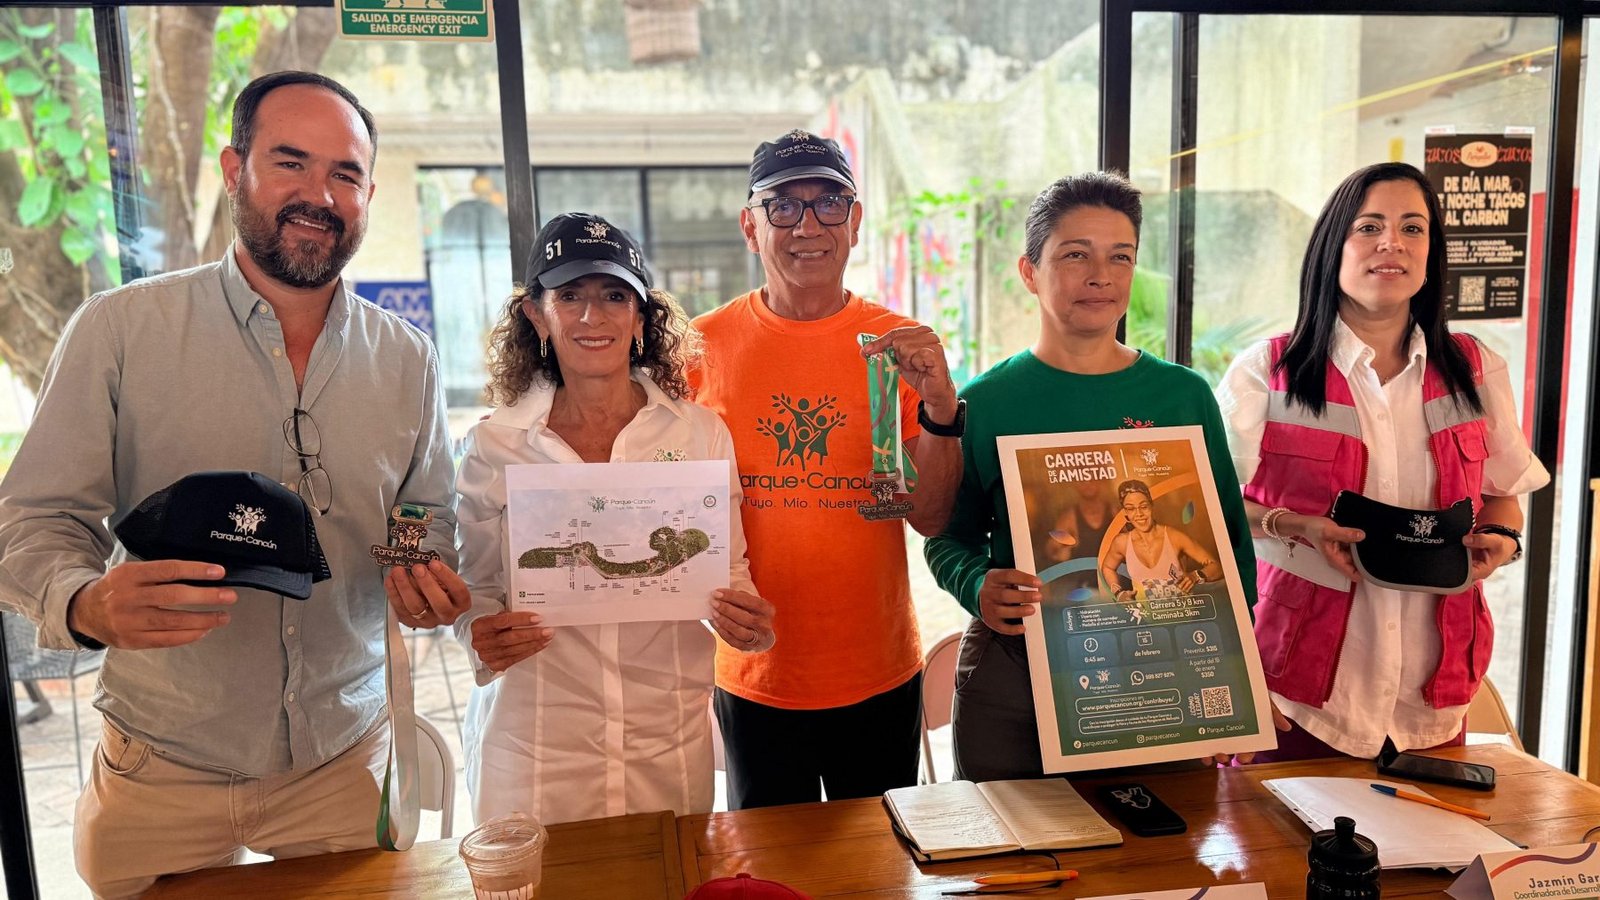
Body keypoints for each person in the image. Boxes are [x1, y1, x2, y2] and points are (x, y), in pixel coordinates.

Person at [0, 71, 471, 898]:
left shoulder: (407, 358)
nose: (319, 194)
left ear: (367, 193)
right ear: (232, 168)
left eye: (346, 174)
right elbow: (34, 517)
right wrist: (82, 601)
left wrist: (410, 564)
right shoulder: (120, 330)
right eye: (290, 163)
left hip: (342, 759)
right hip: (162, 762)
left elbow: (420, 508)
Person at [923, 171, 1256, 782]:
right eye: (1075, 255)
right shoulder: (988, 402)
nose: (1100, 275)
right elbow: (948, 537)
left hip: (1165, 674)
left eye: (1120, 257)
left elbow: (1230, 546)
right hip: (1016, 680)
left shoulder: (1182, 396)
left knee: (1162, 867)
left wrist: (1234, 680)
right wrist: (977, 585)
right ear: (1029, 271)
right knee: (1019, 866)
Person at [1215, 161, 1548, 762]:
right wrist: (1294, 526)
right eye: (1369, 227)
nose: (1391, 243)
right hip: (1297, 693)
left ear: (1431, 253)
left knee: (1432, 857)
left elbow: (1503, 491)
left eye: (1412, 228)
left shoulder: (1476, 369)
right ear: (1332, 246)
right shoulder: (1266, 372)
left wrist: (1502, 536)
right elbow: (1207, 510)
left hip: (1432, 697)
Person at [451, 212, 776, 826]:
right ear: (536, 315)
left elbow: (731, 573)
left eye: (613, 296)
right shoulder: (495, 445)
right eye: (568, 295)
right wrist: (478, 631)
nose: (591, 317)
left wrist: (748, 620)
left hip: (665, 742)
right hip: (535, 744)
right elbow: (478, 589)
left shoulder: (700, 432)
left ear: (641, 315)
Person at [690, 130, 963, 808]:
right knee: (769, 873)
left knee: (878, 871)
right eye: (783, 206)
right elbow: (671, 506)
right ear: (750, 226)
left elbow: (930, 516)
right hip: (756, 673)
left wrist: (939, 406)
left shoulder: (899, 346)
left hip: (878, 672)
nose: (807, 225)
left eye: (829, 203)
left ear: (856, 221)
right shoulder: (698, 348)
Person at [1100, 479, 1222, 601]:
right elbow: (1107, 568)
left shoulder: (1174, 537)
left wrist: (1196, 576)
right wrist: (1119, 593)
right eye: (1131, 509)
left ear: (1151, 506)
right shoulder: (1122, 543)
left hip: (1183, 614)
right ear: (1125, 513)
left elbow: (1217, 567)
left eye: (1143, 506)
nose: (1139, 514)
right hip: (1146, 618)